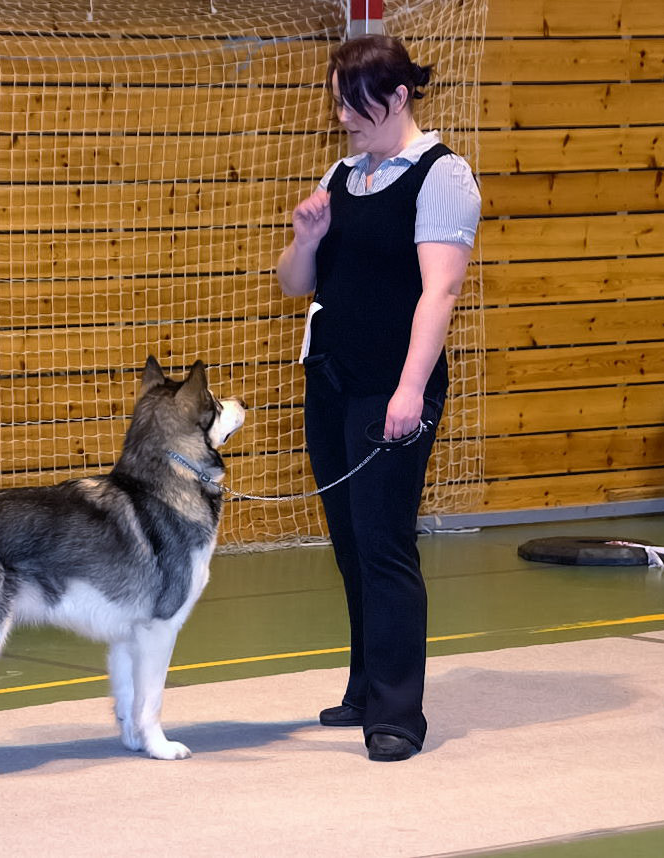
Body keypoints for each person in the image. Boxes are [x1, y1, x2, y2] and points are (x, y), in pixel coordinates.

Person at [275, 35, 481, 761]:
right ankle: (364, 686)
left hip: (393, 388)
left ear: (396, 97)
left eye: (352, 102)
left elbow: (440, 292)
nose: (341, 117)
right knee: (350, 545)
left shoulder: (442, 175)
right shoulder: (343, 174)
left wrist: (410, 390)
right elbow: (298, 284)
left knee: (385, 544)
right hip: (330, 383)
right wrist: (305, 237)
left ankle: (398, 714)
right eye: (335, 101)